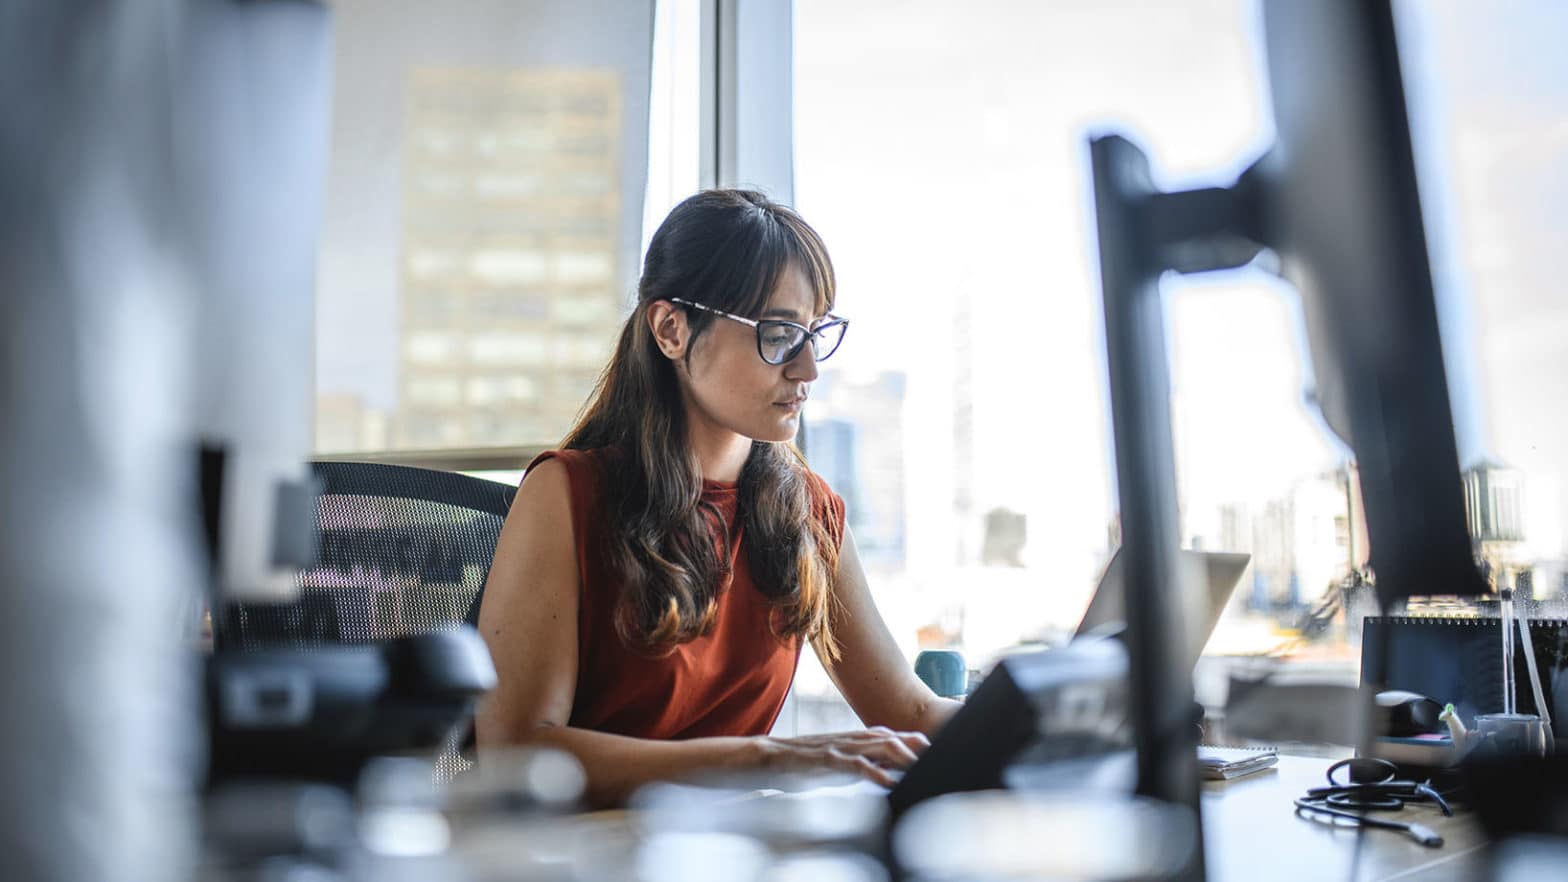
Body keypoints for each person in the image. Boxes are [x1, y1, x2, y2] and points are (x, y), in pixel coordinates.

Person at [475, 189, 961, 806]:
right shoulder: (568, 493)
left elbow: (909, 710)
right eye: (781, 333)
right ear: (672, 329)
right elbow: (516, 747)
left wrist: (1060, 717)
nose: (809, 368)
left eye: (815, 333)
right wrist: (765, 759)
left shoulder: (807, 512)